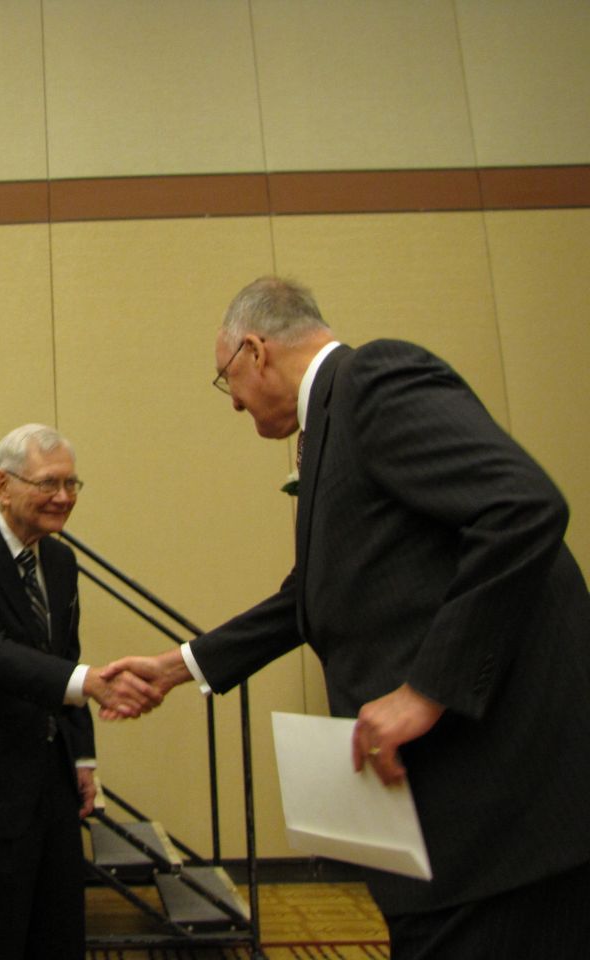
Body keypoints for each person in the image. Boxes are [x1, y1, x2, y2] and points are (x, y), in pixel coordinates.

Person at [103, 276, 590, 959]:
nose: (235, 402)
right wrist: (178, 666)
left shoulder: (375, 379)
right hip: (456, 826)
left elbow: (522, 507)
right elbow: (315, 592)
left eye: (226, 381)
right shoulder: (329, 423)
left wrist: (426, 692)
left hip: (500, 813)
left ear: (254, 351)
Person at [0, 424, 157, 960]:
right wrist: (88, 684)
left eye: (73, 483)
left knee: (55, 934)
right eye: (49, 483)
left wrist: (84, 755)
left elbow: (63, 656)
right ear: (2, 484)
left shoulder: (59, 560)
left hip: (51, 787)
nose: (64, 497)